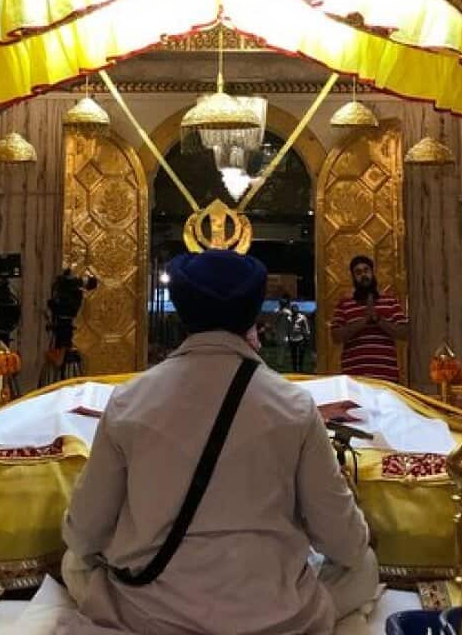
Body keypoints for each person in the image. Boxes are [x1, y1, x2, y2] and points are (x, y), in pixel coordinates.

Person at [62, 249, 378, 635]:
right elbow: (344, 542)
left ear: (181, 312)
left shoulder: (131, 399)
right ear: (252, 317)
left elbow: (84, 533)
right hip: (272, 617)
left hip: (148, 613)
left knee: (73, 561)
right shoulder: (293, 406)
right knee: (363, 566)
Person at [329, 255, 408, 383]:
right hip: (354, 379)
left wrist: (378, 319)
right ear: (353, 277)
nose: (363, 275)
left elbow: (404, 333)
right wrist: (363, 321)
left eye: (366, 270)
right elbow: (336, 337)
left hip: (386, 378)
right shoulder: (344, 304)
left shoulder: (390, 301)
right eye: (358, 272)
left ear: (372, 273)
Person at [287, 303, 311, 373]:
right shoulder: (289, 318)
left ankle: (300, 368)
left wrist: (307, 335)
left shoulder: (302, 317)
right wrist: (287, 336)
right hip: (292, 338)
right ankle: (294, 369)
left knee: (301, 354)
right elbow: (288, 328)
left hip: (300, 338)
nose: (294, 311)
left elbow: (306, 327)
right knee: (293, 355)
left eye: (295, 309)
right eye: (293, 309)